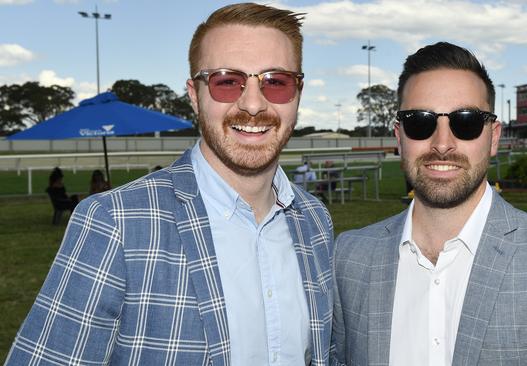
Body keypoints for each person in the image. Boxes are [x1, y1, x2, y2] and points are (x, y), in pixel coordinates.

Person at [7, 3, 334, 365]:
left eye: (276, 81)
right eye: (227, 81)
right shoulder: (114, 222)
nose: (253, 104)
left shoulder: (315, 220)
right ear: (194, 95)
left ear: (298, 93)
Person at [331, 42, 527, 365]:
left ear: (494, 137)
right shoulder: (349, 258)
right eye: (420, 122)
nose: (442, 144)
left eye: (466, 122)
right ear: (399, 137)